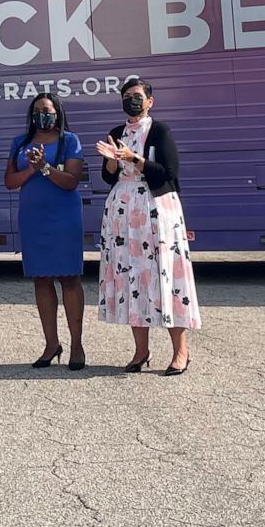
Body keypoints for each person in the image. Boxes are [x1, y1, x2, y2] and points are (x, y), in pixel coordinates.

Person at [96, 77, 201, 375]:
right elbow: (108, 178)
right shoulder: (117, 133)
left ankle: (181, 351)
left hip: (156, 211)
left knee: (166, 277)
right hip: (123, 214)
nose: (132, 100)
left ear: (150, 101)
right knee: (132, 279)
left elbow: (169, 174)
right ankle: (141, 351)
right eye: (127, 96)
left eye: (137, 96)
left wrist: (135, 159)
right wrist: (112, 163)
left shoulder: (161, 131)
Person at [5, 93, 86, 370]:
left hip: (64, 217)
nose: (43, 115)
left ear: (57, 113)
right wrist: (32, 170)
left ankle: (76, 345)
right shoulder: (20, 142)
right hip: (33, 218)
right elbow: (9, 181)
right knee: (41, 280)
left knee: (69, 278)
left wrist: (45, 168)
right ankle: (51, 344)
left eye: (48, 110)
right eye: (38, 110)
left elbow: (71, 181)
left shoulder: (69, 140)